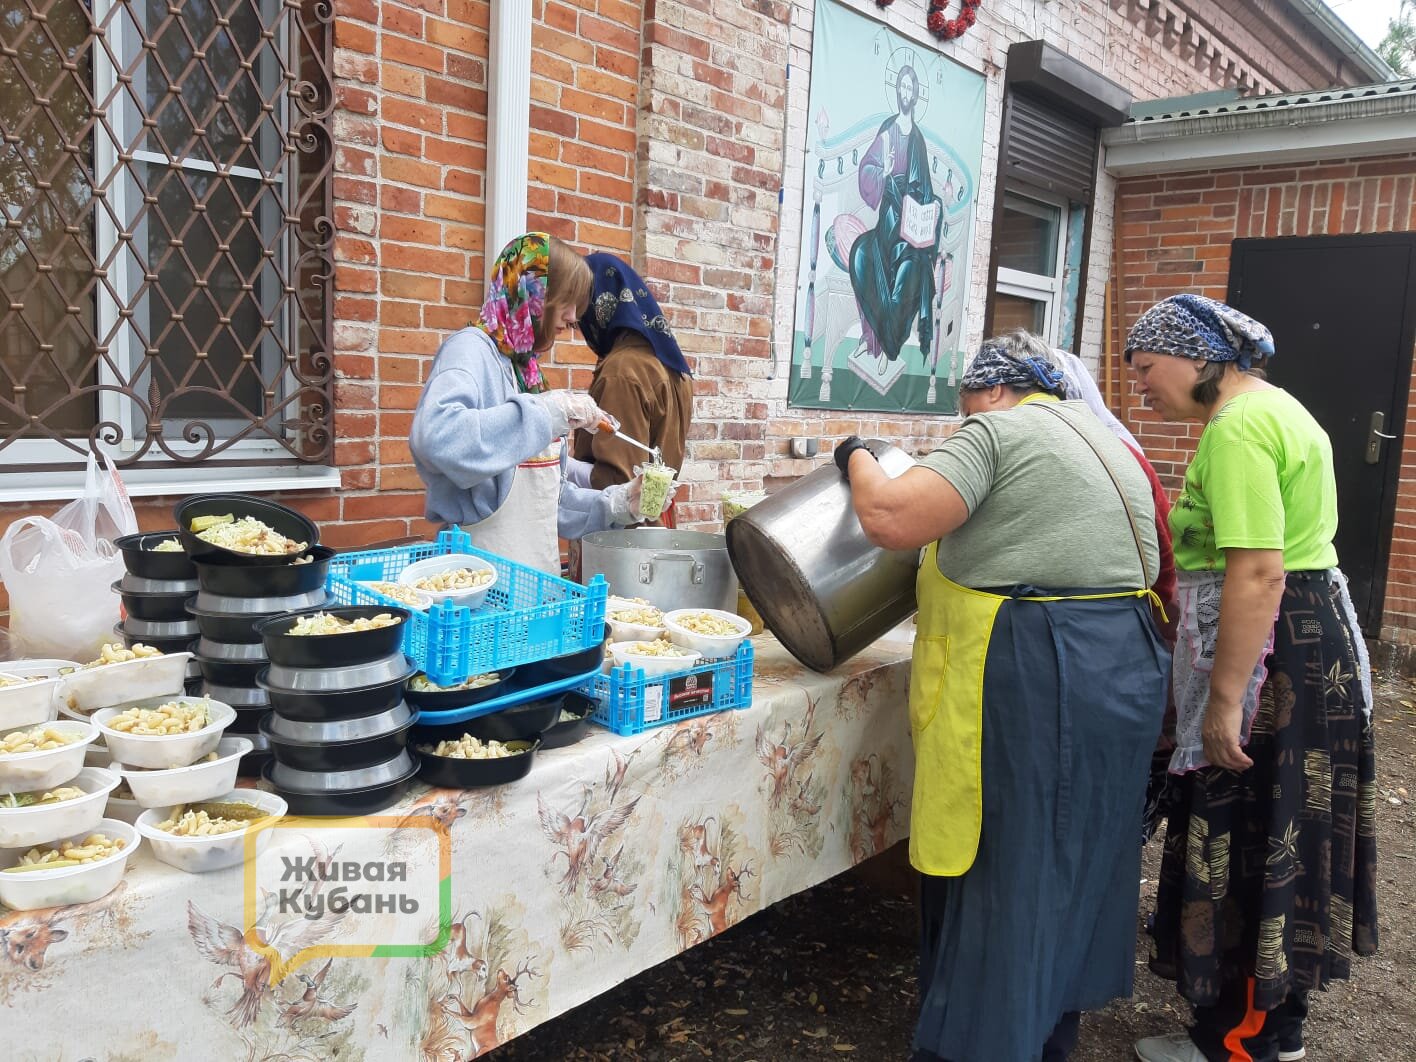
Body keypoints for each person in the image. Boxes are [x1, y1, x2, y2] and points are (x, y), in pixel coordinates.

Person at [837, 331, 1171, 1062]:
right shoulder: (1103, 435)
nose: (963, 420)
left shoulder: (1001, 429)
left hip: (1042, 670)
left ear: (993, 391)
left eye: (965, 406)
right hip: (1124, 663)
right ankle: (1048, 1033)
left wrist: (856, 453)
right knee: (1075, 858)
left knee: (1006, 866)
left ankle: (981, 1043)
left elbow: (890, 516)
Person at [1126, 295, 1378, 1062]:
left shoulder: (1237, 431)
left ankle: (1241, 1044)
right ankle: (1268, 1031)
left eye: (1146, 368)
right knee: (1284, 830)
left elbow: (1259, 572)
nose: (1140, 385)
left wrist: (1227, 700)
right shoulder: (1278, 409)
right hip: (1307, 640)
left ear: (1199, 357)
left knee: (1251, 838)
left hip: (1276, 658)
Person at [410, 233, 642, 574]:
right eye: (566, 300)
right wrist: (550, 412)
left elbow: (549, 503)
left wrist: (618, 504)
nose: (574, 318)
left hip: (536, 583)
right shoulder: (469, 350)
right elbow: (436, 437)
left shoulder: (526, 372)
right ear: (531, 291)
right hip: (478, 578)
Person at [571, 252, 693, 526]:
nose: (576, 323)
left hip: (623, 538)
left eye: (578, 313)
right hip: (656, 526)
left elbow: (619, 481)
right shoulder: (671, 363)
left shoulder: (623, 371)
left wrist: (561, 469)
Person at [848, 62, 942, 367]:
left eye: (909, 88)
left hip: (913, 217)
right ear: (897, 92)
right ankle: (877, 338)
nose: (905, 93)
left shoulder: (918, 139)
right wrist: (884, 173)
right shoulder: (888, 131)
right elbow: (869, 168)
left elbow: (925, 186)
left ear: (915, 96)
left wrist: (932, 208)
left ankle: (891, 339)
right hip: (890, 210)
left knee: (914, 267)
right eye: (901, 87)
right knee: (864, 255)